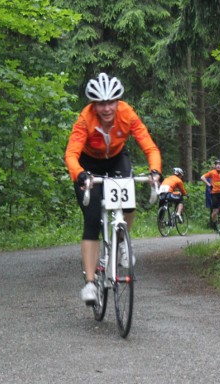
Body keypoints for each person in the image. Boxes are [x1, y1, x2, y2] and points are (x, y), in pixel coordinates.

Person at [64, 73, 162, 305]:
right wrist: (79, 174)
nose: (107, 108)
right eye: (101, 103)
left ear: (118, 101)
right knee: (92, 219)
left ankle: (120, 242)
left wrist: (155, 171)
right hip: (89, 165)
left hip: (117, 160)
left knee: (128, 203)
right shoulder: (85, 119)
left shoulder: (127, 113)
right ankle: (90, 283)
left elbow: (150, 146)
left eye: (111, 102)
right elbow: (71, 153)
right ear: (93, 104)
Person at [200, 159, 220, 233]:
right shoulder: (212, 172)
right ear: (215, 166)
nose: (218, 166)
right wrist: (209, 184)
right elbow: (202, 177)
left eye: (219, 164)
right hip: (214, 193)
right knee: (215, 212)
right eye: (216, 165)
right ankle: (215, 225)